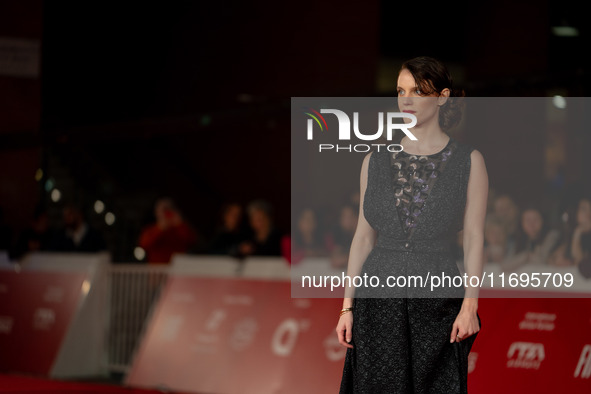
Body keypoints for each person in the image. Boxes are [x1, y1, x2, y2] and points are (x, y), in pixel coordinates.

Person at [337, 56, 488, 393]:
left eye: (418, 91)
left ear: (442, 96)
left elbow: (476, 238)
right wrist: (347, 307)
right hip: (377, 302)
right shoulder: (374, 160)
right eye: (400, 90)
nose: (406, 99)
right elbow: (362, 239)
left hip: (437, 303)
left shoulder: (469, 161)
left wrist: (470, 305)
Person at [499, 206, 561, 272]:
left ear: (543, 221)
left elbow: (543, 261)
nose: (531, 224)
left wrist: (524, 259)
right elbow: (504, 266)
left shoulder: (552, 236)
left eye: (535, 220)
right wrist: (526, 256)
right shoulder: (518, 239)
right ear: (521, 223)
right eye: (527, 220)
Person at [138, 197, 198, 263]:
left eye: (169, 209)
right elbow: (144, 244)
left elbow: (192, 241)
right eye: (163, 209)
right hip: (158, 269)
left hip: (178, 268)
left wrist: (180, 224)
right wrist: (160, 229)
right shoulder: (151, 229)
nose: (166, 212)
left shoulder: (179, 228)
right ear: (156, 212)